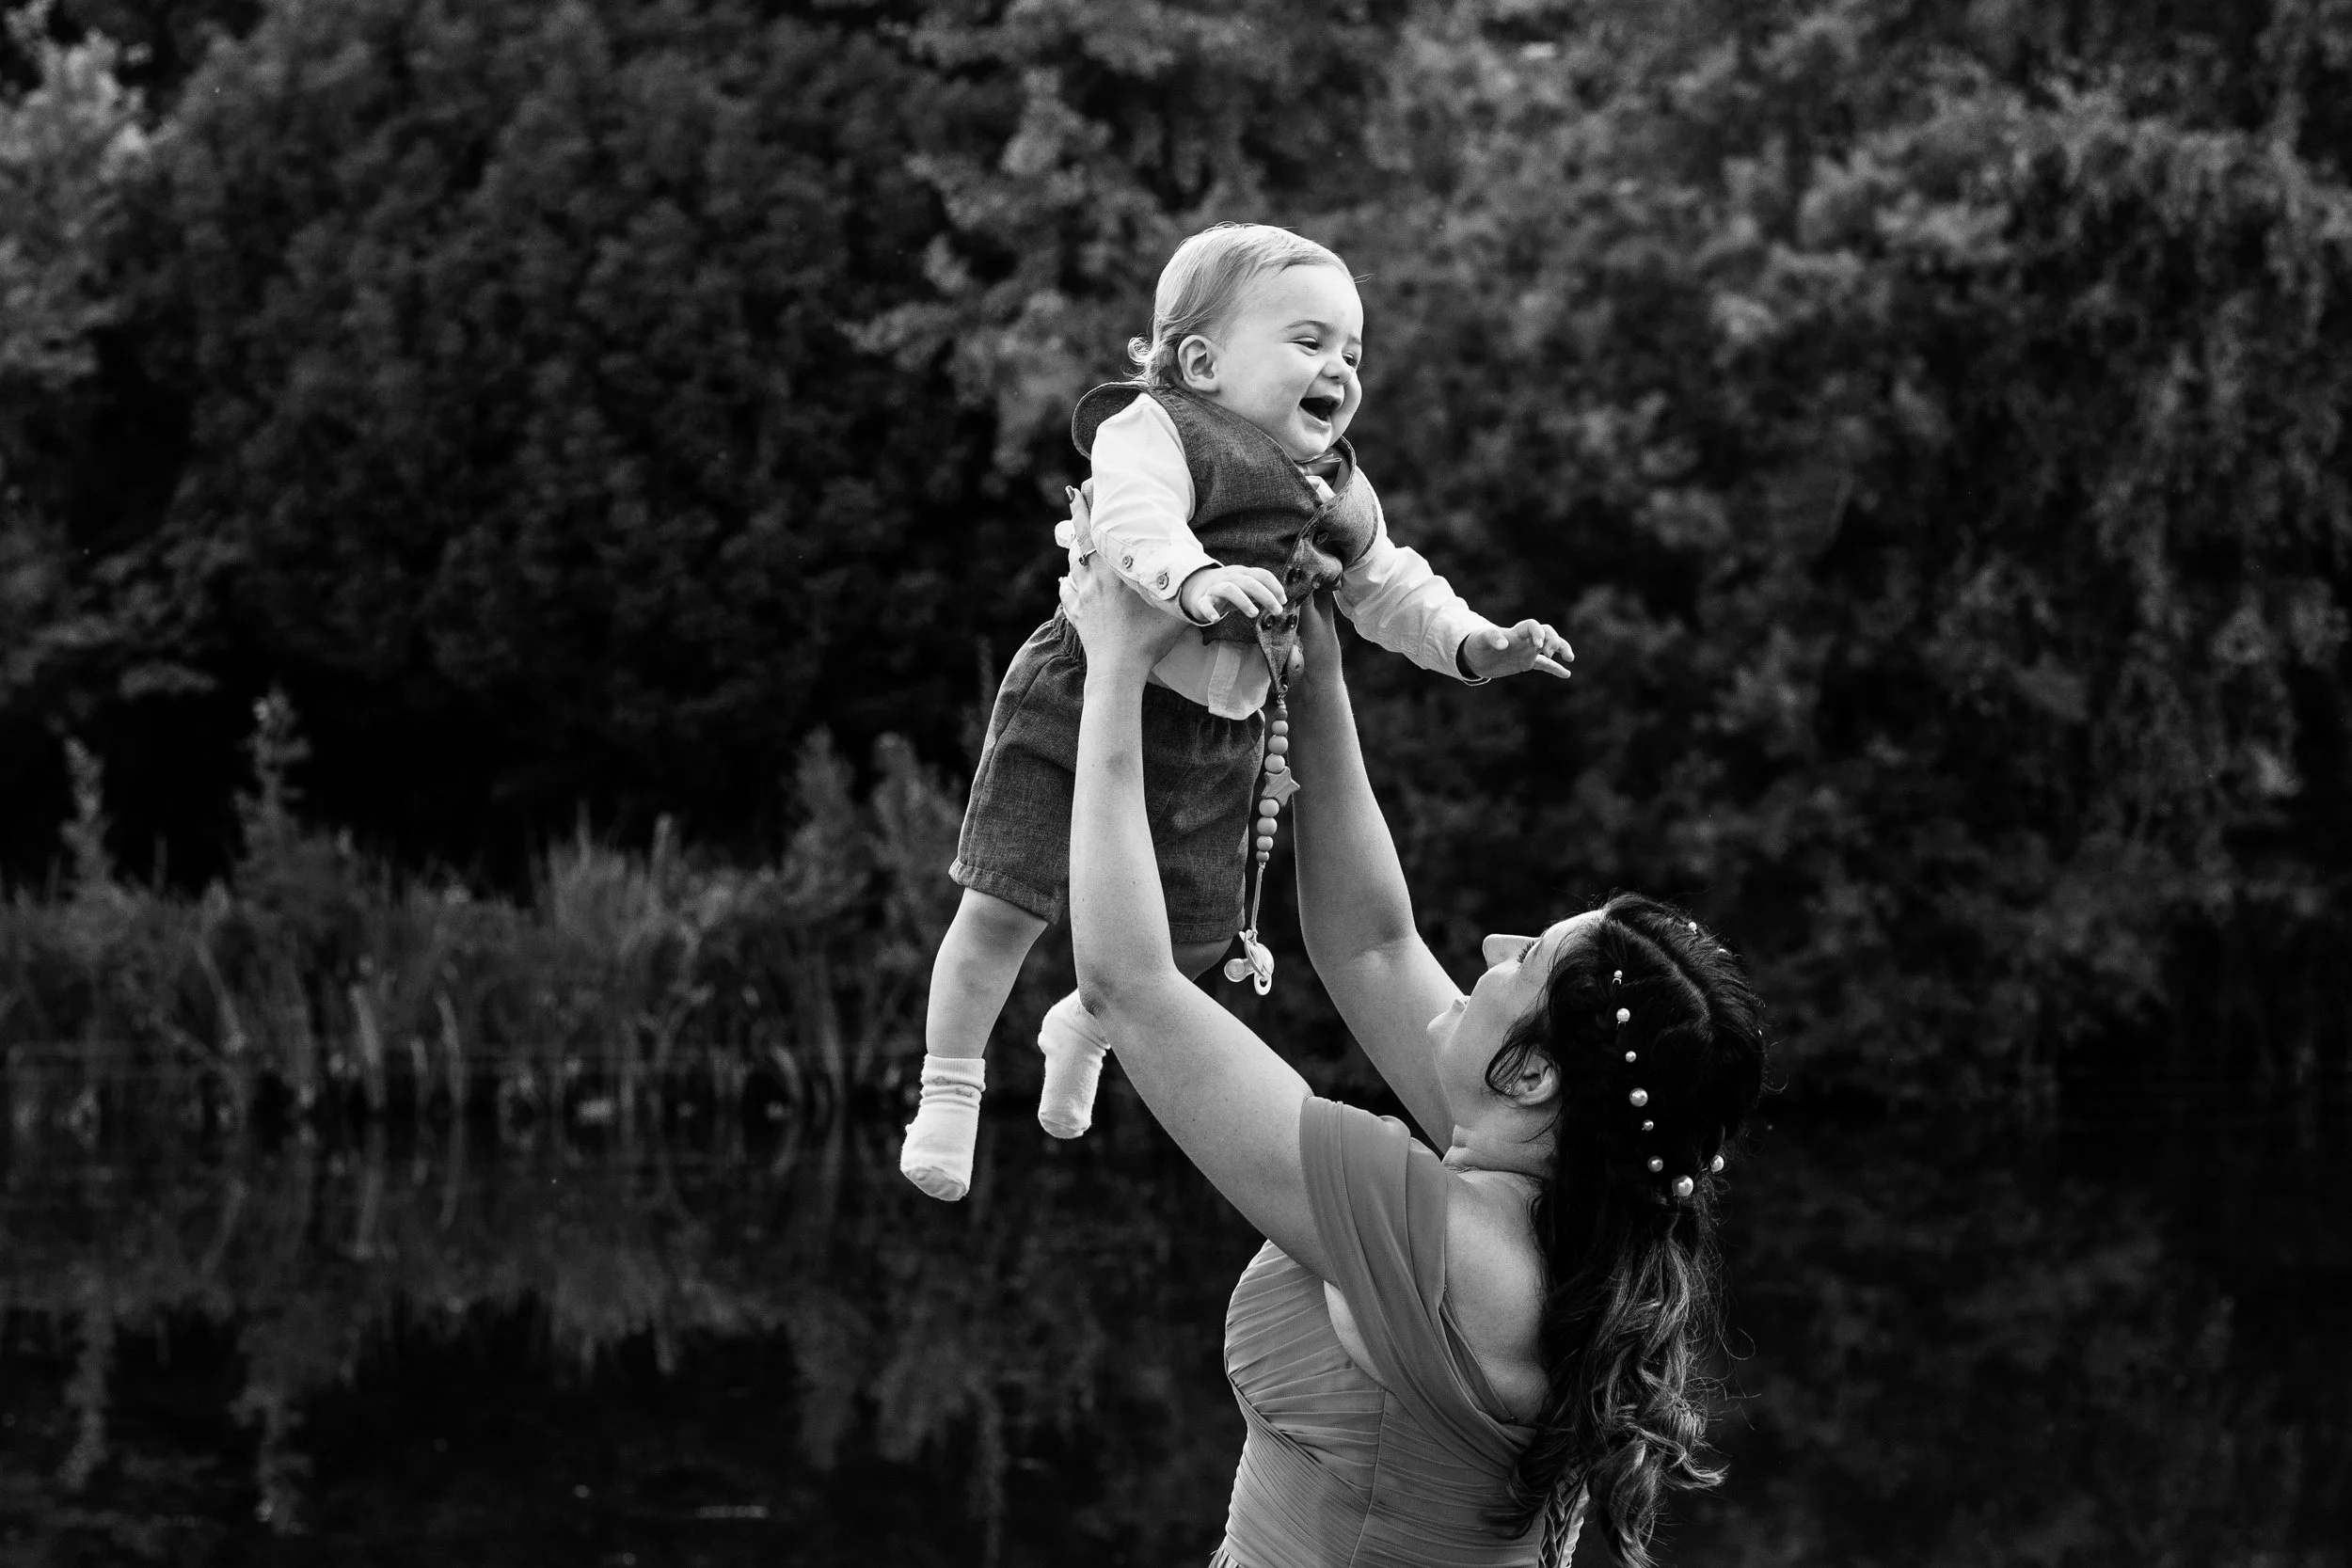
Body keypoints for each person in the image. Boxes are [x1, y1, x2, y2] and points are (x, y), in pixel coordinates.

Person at [1056, 530, 1768, 1566]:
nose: (1484, 948)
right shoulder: (1558, 1225)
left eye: (1521, 957)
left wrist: (1113, 660)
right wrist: (1315, 641)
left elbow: (1128, 983)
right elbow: (1371, 946)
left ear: (1532, 1073)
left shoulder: (1431, 1230)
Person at [901, 221, 1573, 1200]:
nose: (1337, 367)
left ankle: (1082, 1025)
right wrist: (1195, 578)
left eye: (1350, 350)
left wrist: (1476, 644)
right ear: (1202, 361)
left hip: (1220, 738)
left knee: (1192, 940)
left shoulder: (1339, 486)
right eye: (1309, 342)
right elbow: (1133, 519)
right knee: (1003, 900)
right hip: (1085, 695)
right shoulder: (1160, 427)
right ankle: (950, 1090)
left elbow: (1390, 586)